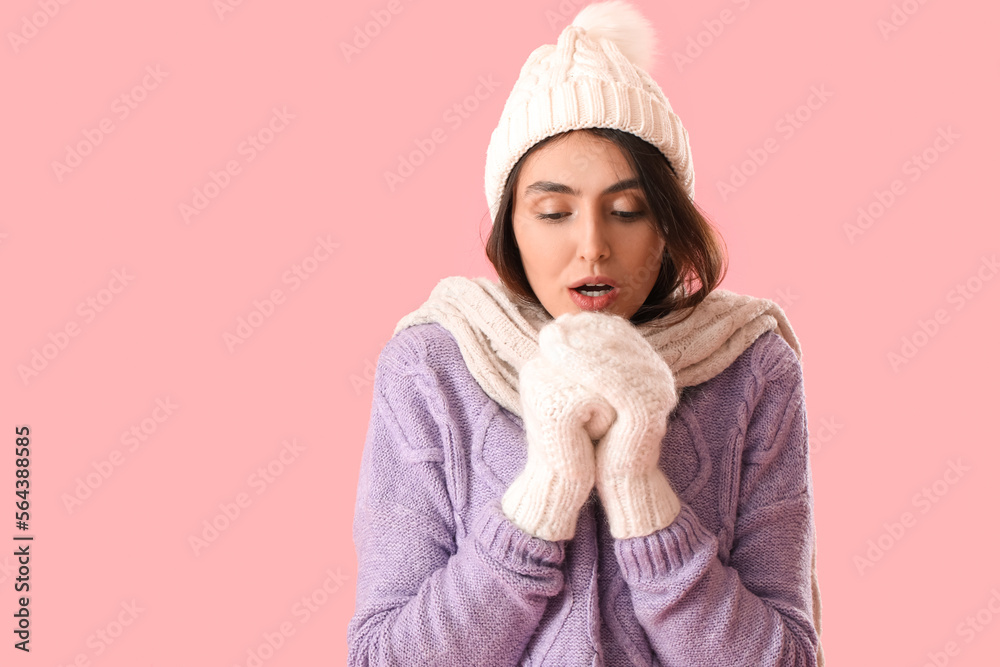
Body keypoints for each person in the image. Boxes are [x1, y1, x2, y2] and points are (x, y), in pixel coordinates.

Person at [347, 1, 824, 665]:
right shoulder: (430, 368)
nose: (593, 246)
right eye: (553, 211)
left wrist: (641, 494)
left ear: (667, 223)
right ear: (509, 223)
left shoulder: (751, 366)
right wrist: (543, 493)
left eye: (627, 210)